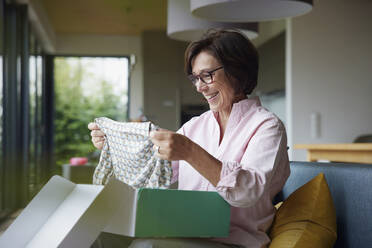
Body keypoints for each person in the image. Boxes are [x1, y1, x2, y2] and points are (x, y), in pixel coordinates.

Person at [88, 29, 290, 248]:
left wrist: (190, 151)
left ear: (237, 70)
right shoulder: (195, 126)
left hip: (235, 242)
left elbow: (248, 192)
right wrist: (117, 146)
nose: (200, 87)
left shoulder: (267, 126)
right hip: (186, 234)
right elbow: (153, 177)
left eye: (207, 75)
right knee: (94, 232)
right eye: (195, 78)